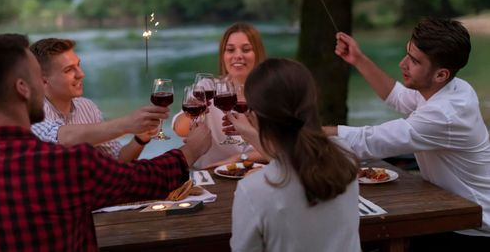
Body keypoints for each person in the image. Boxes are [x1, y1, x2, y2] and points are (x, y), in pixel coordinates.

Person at [0, 34, 211, 252]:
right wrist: (190, 151)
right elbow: (144, 179)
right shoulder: (68, 163)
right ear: (23, 88)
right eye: (36, 79)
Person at [325, 18, 490, 249]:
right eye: (407, 53)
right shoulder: (453, 87)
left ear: (441, 74)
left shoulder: (445, 113)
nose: (403, 64)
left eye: (414, 61)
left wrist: (305, 132)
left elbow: (368, 140)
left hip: (470, 228)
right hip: (446, 211)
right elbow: (398, 96)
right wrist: (358, 59)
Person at [229, 58, 360, 252]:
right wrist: (251, 134)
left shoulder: (253, 190)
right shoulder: (345, 157)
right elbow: (294, 158)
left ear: (255, 116)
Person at [29, 38, 155, 163]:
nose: (81, 74)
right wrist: (127, 124)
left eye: (78, 65)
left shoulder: (87, 107)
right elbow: (62, 139)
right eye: (68, 70)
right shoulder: (31, 111)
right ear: (43, 81)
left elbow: (117, 159)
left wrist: (140, 138)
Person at [172, 22, 267, 169]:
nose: (238, 56)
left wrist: (239, 158)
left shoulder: (272, 93)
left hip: (257, 173)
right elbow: (180, 130)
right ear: (223, 55)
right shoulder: (207, 87)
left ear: (258, 53)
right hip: (210, 176)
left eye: (246, 49)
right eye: (230, 50)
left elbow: (283, 148)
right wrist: (190, 113)